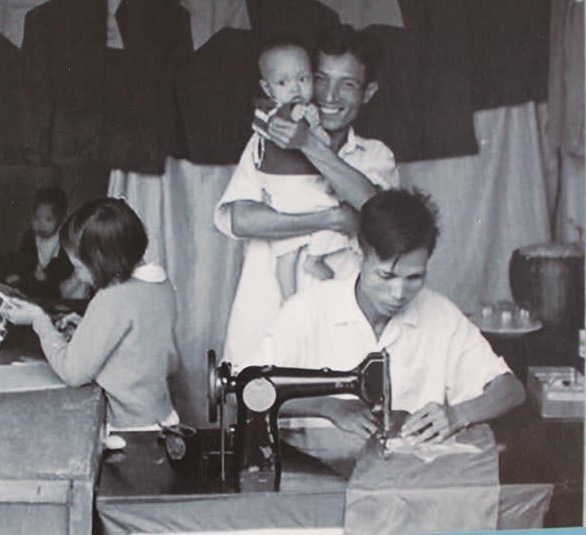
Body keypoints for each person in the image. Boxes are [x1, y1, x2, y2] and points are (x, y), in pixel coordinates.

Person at [250, 189, 526, 453]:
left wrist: (457, 414)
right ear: (359, 255)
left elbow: (511, 389)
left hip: (413, 474)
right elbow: (247, 390)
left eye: (414, 277)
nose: (399, 293)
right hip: (323, 472)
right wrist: (327, 406)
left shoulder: (441, 315)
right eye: (386, 276)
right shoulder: (307, 310)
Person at [215, 24, 399, 364]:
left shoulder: (376, 156)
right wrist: (331, 218)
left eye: (347, 84)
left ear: (368, 92)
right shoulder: (266, 140)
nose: (329, 95)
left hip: (337, 334)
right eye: (321, 79)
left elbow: (380, 214)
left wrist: (308, 145)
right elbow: (241, 220)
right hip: (264, 323)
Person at [0, 197, 180, 431]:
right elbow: (161, 358)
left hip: (125, 426)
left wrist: (39, 320)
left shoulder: (112, 297)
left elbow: (72, 372)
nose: (79, 276)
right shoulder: (160, 285)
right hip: (160, 418)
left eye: (79, 266)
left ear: (103, 261)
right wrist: (87, 327)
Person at [251, 39, 361, 302]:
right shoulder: (268, 111)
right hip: (284, 193)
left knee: (332, 218)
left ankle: (314, 260)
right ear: (267, 87)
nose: (295, 89)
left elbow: (322, 144)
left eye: (303, 79)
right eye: (283, 83)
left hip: (310, 191)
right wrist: (287, 118)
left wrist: (314, 132)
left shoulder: (376, 152)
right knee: (287, 254)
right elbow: (264, 124)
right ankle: (289, 302)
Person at [5, 186, 78, 300]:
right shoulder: (29, 237)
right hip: (31, 286)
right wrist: (18, 274)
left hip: (55, 290)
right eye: (37, 218)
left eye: (48, 219)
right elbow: (22, 260)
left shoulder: (64, 241)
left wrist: (47, 277)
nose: (41, 224)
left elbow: (66, 269)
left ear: (61, 220)